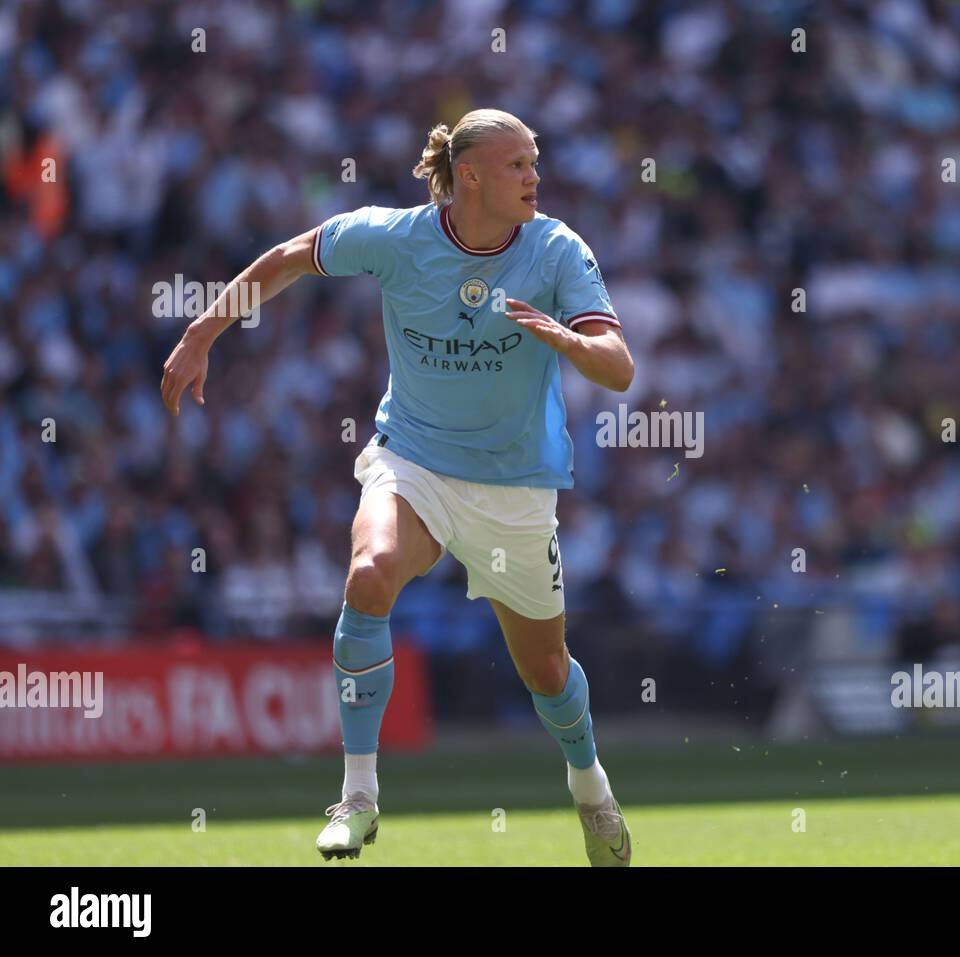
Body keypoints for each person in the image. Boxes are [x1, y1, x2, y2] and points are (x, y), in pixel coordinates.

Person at [160, 109, 635, 866]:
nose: (534, 177)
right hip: (412, 460)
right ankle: (358, 797)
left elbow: (619, 366)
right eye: (518, 165)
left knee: (545, 669)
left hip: (514, 488)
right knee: (370, 573)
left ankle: (591, 788)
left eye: (535, 162)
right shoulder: (395, 236)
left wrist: (567, 338)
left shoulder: (555, 248)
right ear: (470, 175)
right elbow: (286, 258)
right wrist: (200, 333)